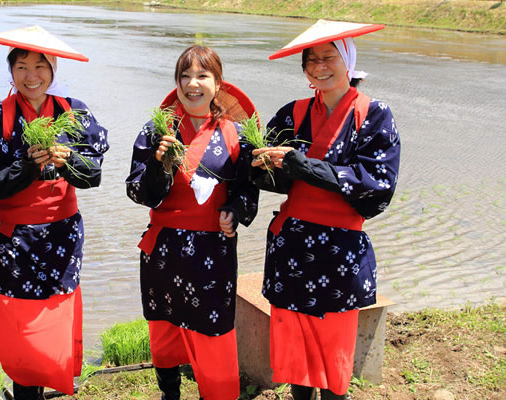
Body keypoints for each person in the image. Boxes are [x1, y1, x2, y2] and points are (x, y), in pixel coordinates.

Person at [251, 20, 401, 400]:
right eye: (311, 59)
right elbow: (273, 180)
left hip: (340, 249)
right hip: (292, 247)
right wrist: (256, 164)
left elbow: (378, 186)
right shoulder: (292, 113)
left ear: (348, 60)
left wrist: (305, 166)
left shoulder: (373, 115)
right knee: (296, 353)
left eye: (329, 57)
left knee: (334, 355)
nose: (319, 66)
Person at [0, 26, 109, 400]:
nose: (32, 76)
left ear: (54, 67)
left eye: (40, 65)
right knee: (21, 332)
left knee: (53, 325)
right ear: (10, 71)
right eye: (22, 66)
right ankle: (25, 390)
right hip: (13, 241)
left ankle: (45, 386)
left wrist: (68, 159)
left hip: (61, 237)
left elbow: (93, 176)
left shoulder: (73, 113)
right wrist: (27, 167)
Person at [125, 45, 260, 400]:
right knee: (164, 331)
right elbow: (137, 191)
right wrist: (158, 165)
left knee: (214, 336)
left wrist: (235, 211)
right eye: (184, 76)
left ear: (218, 84)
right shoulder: (157, 132)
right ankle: (169, 394)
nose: (192, 84)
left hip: (212, 253)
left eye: (202, 75)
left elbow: (247, 189)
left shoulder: (237, 134)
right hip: (163, 251)